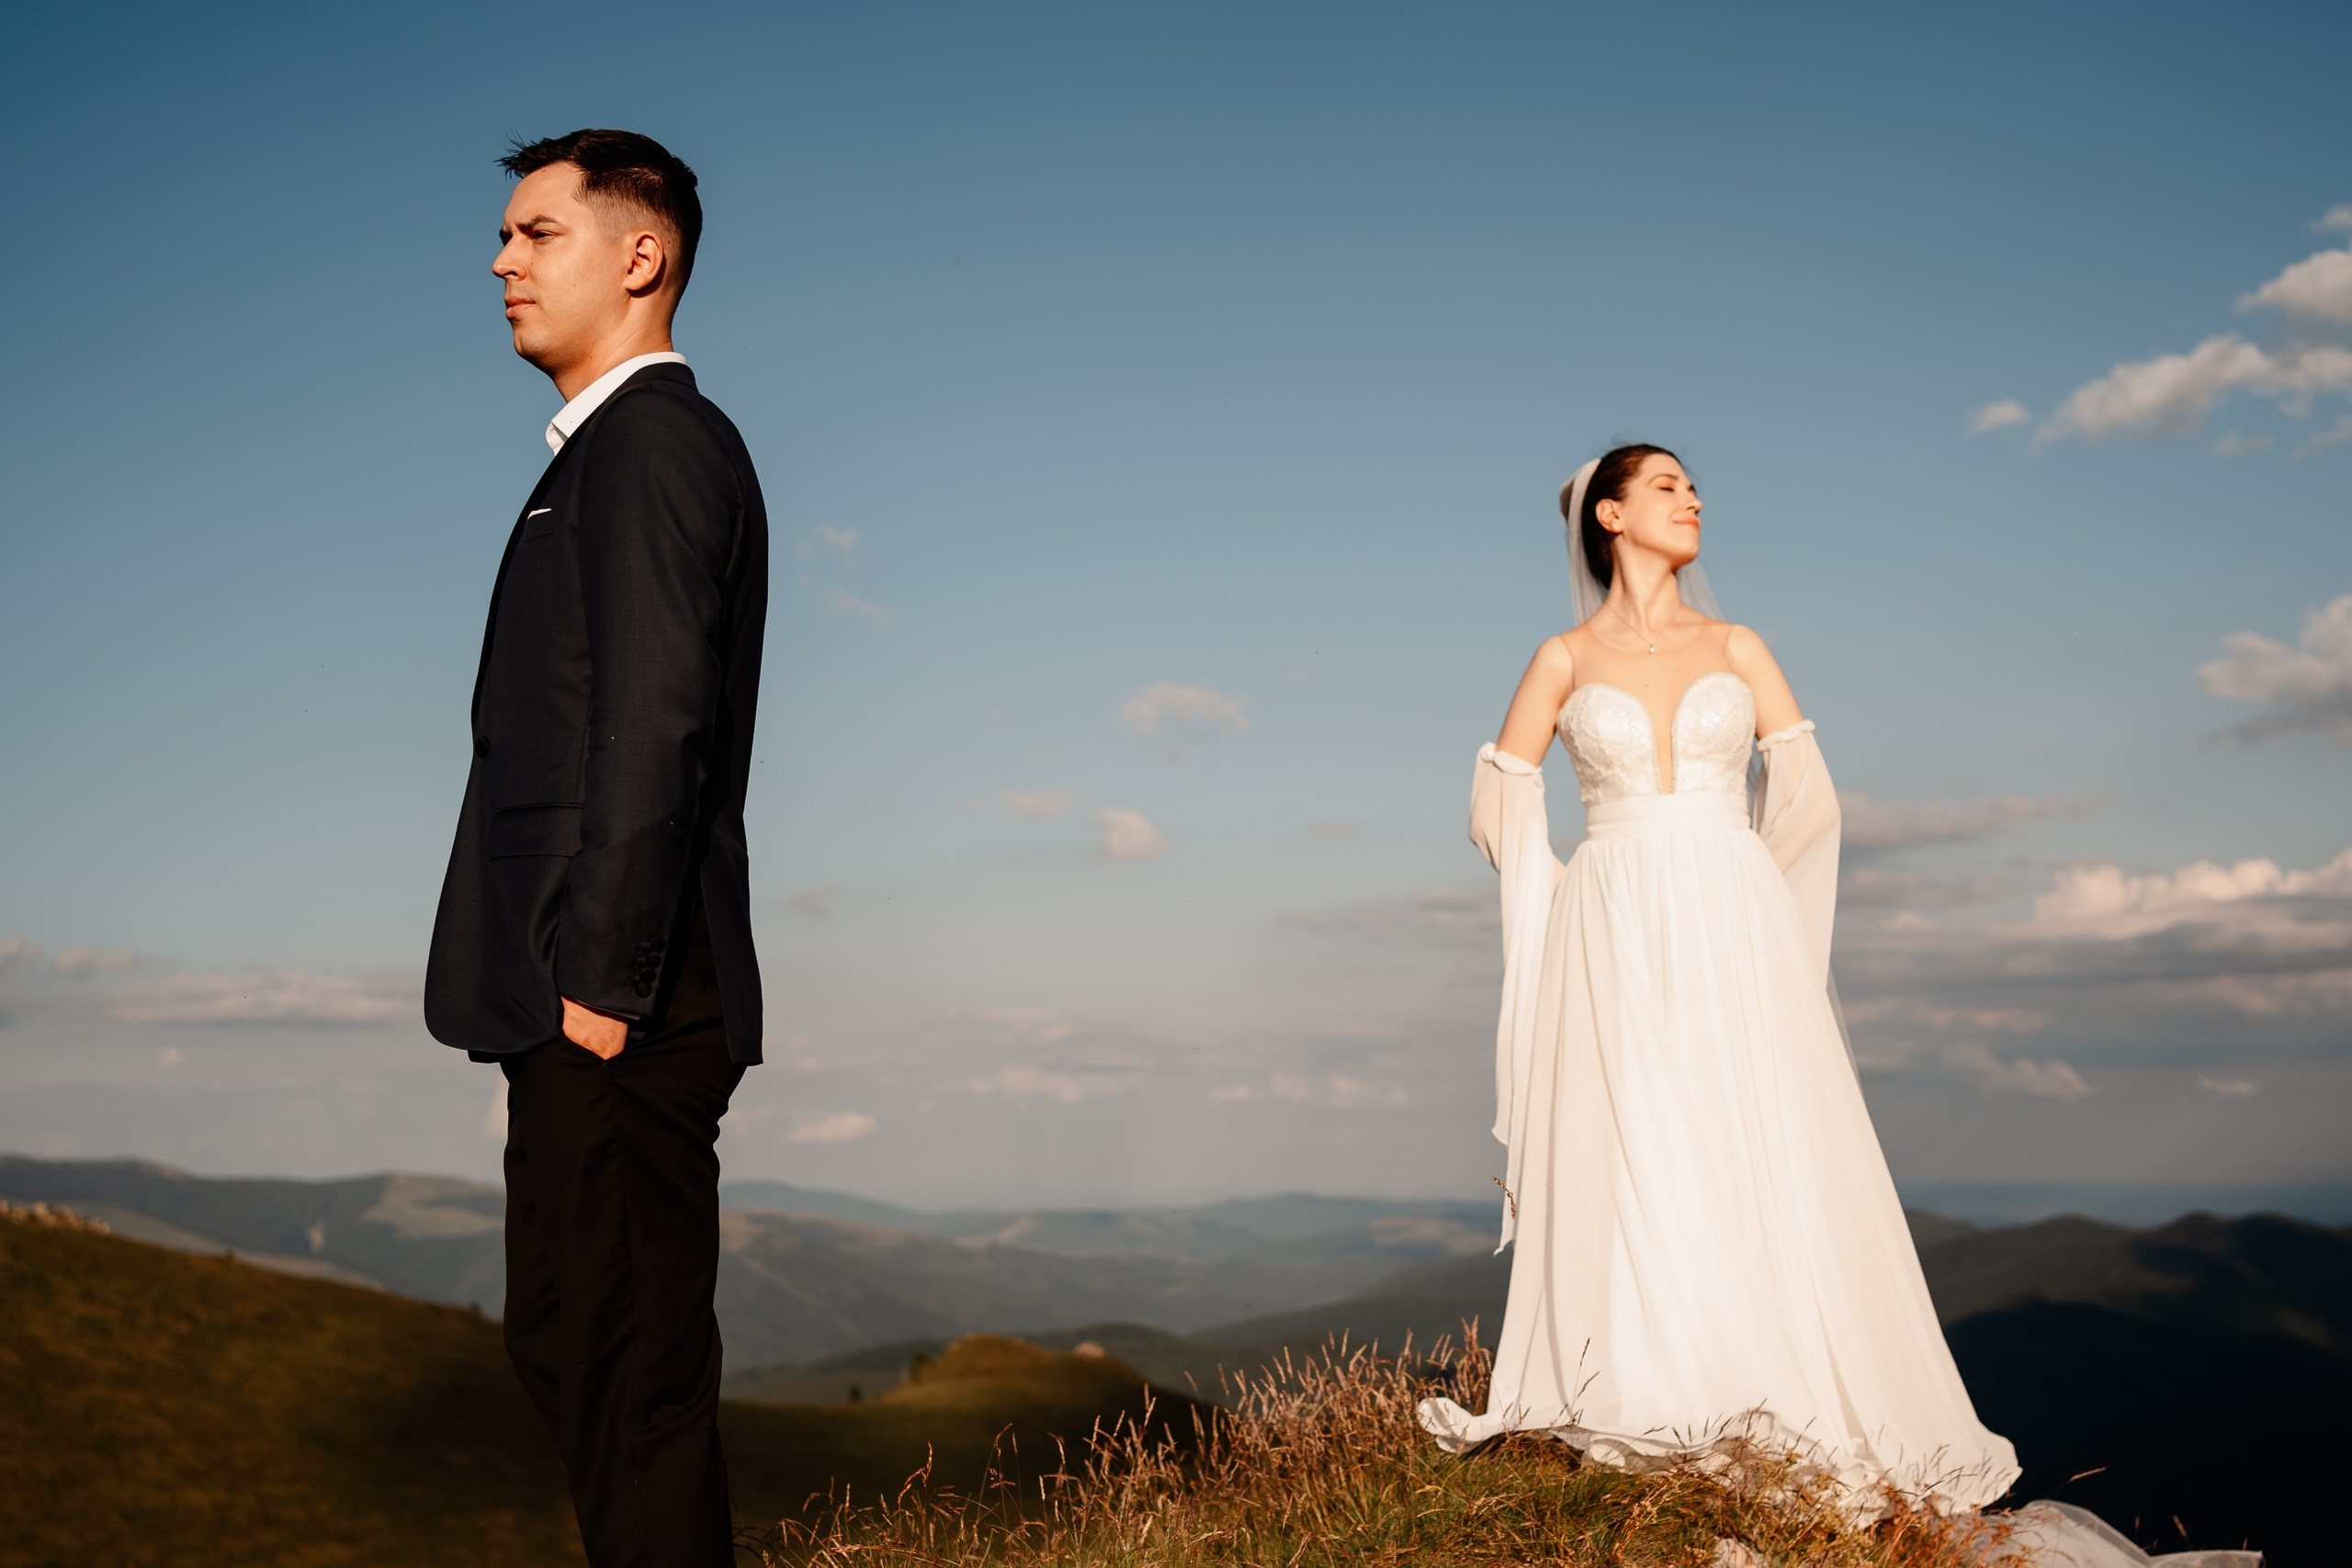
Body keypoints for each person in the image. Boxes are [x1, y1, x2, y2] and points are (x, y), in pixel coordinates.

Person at [1416, 446, 2256, 1568]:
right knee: (1641, 1150)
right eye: (1665, 485)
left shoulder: (1738, 644)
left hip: (1734, 915)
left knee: (1753, 1143)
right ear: (1609, 515)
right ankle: (1659, 1387)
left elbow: (1805, 793)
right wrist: (1560, 899)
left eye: (1693, 485)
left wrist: (1761, 905)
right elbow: (1496, 798)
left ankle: (1777, 1389)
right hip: (1610, 923)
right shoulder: (1561, 658)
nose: (1692, 497)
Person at [424, 129, 769, 1568]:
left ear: (642, 254)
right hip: (578, 994)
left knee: (626, 1369)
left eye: (536, 233)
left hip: (618, 997)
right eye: (504, 236)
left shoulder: (659, 443)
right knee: (572, 1337)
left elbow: (657, 720)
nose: (502, 260)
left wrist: (602, 990)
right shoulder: (605, 455)